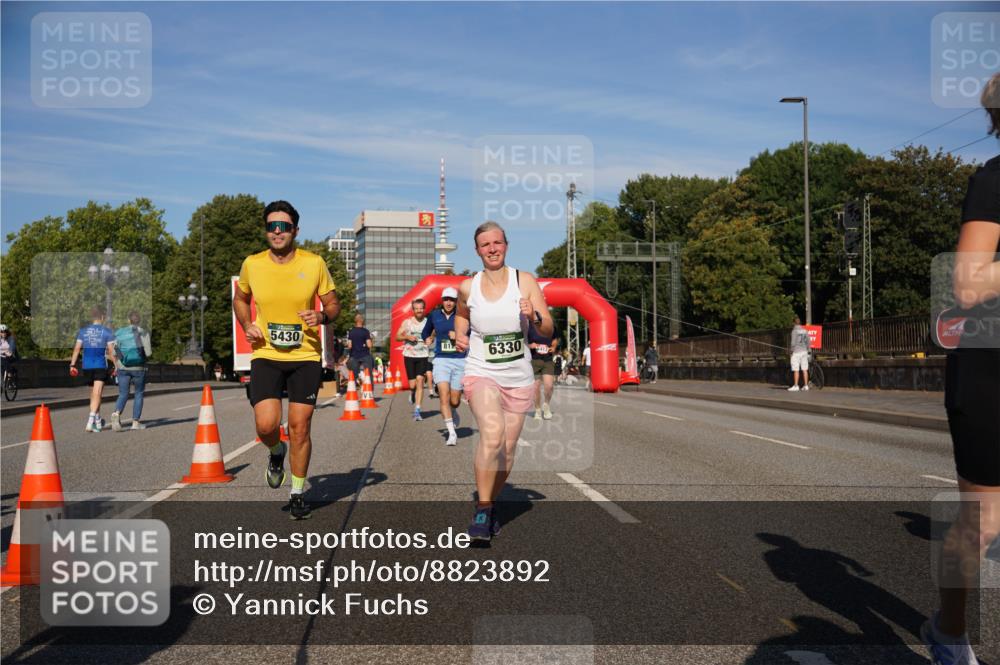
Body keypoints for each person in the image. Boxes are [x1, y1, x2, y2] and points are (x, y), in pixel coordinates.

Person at [923, 74, 1000, 665]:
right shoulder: (993, 179)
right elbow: (967, 284)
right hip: (988, 373)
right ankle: (949, 634)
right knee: (982, 523)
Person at [233, 200, 340, 520]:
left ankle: (297, 492)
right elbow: (241, 298)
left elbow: (334, 305)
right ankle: (275, 452)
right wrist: (247, 324)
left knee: (299, 427)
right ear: (266, 230)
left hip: (305, 356)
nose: (277, 232)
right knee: (266, 426)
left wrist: (320, 316)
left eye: (283, 226)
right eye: (271, 226)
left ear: (295, 230)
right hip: (266, 353)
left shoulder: (315, 263)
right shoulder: (252, 264)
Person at [455, 221, 553, 541]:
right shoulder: (469, 287)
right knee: (493, 435)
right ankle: (482, 510)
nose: (492, 249)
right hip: (481, 369)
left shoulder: (523, 281)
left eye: (497, 243)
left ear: (506, 245)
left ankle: (491, 503)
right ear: (477, 250)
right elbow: (461, 313)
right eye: (485, 245)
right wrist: (459, 333)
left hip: (519, 374)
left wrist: (534, 315)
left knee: (507, 451)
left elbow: (548, 328)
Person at [421, 287, 467, 445]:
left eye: (452, 300)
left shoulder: (462, 315)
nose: (449, 302)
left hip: (460, 359)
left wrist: (460, 335)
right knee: (443, 395)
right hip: (441, 360)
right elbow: (425, 332)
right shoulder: (434, 315)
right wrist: (427, 338)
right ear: (442, 300)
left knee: (455, 400)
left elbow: (472, 333)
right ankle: (451, 433)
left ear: (456, 302)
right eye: (446, 299)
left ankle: (454, 411)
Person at [69, 306, 116, 432]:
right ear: (102, 317)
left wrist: (72, 365)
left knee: (94, 394)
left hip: (87, 365)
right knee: (98, 393)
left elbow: (77, 349)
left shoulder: (83, 331)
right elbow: (111, 351)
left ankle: (98, 421)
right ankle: (90, 421)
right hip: (100, 364)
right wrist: (117, 365)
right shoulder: (107, 332)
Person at [110, 311, 152, 431]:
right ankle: (135, 423)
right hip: (139, 368)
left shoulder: (120, 332)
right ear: (139, 321)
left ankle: (117, 413)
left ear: (128, 320)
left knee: (123, 393)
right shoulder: (143, 332)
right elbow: (148, 353)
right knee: (138, 393)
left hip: (123, 367)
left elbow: (114, 352)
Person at [396, 298, 431, 421]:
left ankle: (417, 410)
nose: (419, 311)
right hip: (409, 356)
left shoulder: (428, 322)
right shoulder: (407, 322)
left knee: (420, 381)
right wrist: (407, 336)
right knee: (412, 385)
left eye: (421, 308)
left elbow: (433, 335)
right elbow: (397, 337)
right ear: (413, 310)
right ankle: (412, 392)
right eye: (416, 309)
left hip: (423, 355)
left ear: (424, 309)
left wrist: (430, 339)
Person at [529, 328, 558, 420]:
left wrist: (553, 347)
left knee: (549, 386)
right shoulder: (528, 327)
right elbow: (523, 342)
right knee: (536, 388)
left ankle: (546, 405)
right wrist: (530, 345)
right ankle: (537, 410)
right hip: (534, 361)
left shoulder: (550, 326)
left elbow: (554, 340)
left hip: (548, 360)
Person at [346, 313, 374, 380]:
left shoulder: (351, 332)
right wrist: (372, 340)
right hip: (365, 355)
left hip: (354, 355)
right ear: (362, 321)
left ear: (355, 321)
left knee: (353, 376)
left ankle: (353, 388)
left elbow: (349, 346)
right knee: (368, 374)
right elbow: (369, 345)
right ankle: (369, 388)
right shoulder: (366, 332)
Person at [788, 315, 810, 392]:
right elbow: (808, 341)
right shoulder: (805, 330)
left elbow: (793, 343)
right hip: (804, 351)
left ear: (794, 323)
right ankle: (806, 385)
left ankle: (796, 385)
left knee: (796, 369)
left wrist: (791, 351)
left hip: (796, 352)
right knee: (805, 369)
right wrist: (808, 350)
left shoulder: (794, 331)